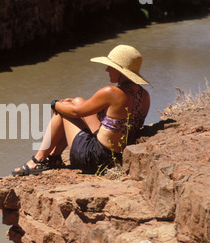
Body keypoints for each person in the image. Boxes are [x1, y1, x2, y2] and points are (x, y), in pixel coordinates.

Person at [12, 45, 151, 175]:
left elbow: (76, 113)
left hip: (94, 158)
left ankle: (38, 160)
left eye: (110, 66)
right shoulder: (145, 96)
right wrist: (71, 104)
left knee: (64, 112)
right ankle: (54, 158)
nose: (107, 70)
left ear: (121, 71)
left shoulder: (112, 92)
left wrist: (55, 104)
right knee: (77, 101)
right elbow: (97, 114)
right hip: (117, 156)